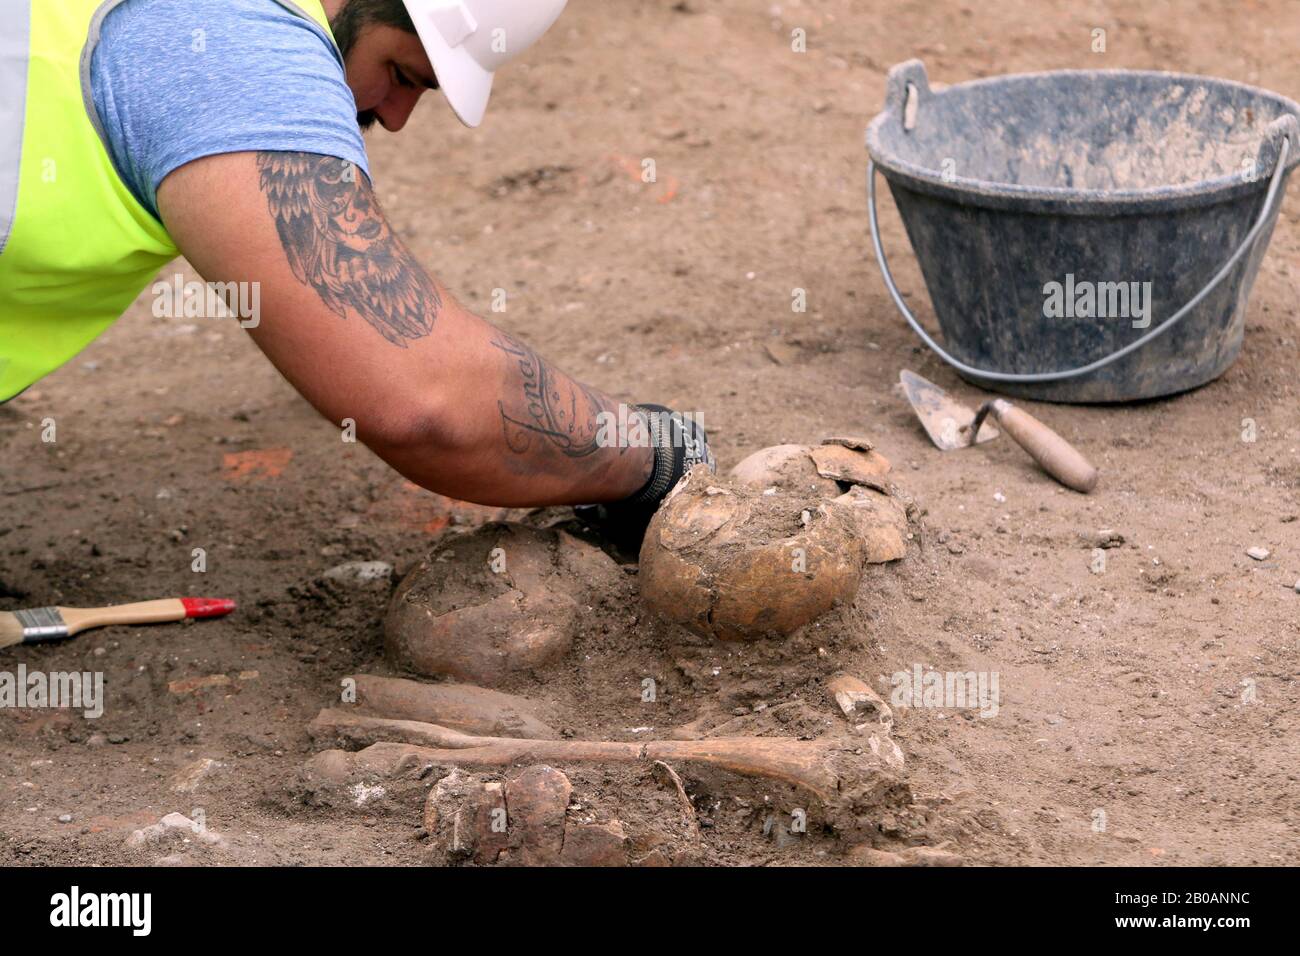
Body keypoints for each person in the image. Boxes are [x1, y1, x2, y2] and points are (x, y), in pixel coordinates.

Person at [0, 0, 711, 544]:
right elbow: (423, 401)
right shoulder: (229, 51)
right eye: (401, 73)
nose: (396, 117)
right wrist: (645, 459)